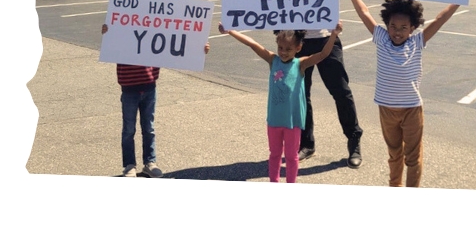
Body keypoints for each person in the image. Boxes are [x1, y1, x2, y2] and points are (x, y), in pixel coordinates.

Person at [236, 0, 363, 166]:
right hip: (296, 43)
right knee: (300, 96)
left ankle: (354, 143)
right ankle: (306, 144)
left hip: (326, 39)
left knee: (341, 92)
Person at [347, 0, 473, 187]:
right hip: (387, 109)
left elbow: (440, 19)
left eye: (403, 27)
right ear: (386, 25)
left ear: (413, 27)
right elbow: (364, 13)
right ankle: (395, 186)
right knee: (394, 153)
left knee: (413, 157)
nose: (397, 32)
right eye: (393, 26)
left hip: (412, 109)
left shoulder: (417, 41)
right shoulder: (381, 38)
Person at [219, 22, 343, 183]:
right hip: (274, 121)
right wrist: (231, 32)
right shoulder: (273, 60)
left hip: (293, 122)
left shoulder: (300, 64)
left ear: (298, 48)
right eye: (281, 48)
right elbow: (252, 44)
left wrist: (333, 35)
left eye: (288, 49)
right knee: (274, 154)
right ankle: (274, 182)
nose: (283, 52)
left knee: (291, 157)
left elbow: (322, 55)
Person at [101, 23, 209, 177]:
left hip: (149, 86)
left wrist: (199, 49)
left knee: (149, 128)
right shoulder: (121, 27)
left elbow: (175, 43)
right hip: (129, 88)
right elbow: (110, 47)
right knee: (128, 130)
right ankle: (129, 165)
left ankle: (150, 162)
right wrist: (107, 34)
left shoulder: (155, 28)